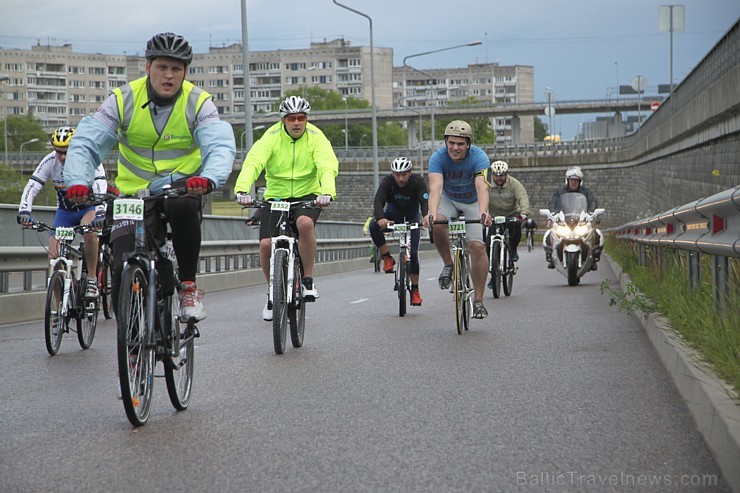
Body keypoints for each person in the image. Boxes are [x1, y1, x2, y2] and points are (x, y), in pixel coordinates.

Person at [64, 32, 236, 322]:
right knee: (121, 266)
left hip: (180, 186)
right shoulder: (123, 99)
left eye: (176, 69)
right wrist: (78, 181)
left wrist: (208, 178)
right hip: (132, 194)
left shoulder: (198, 102)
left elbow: (219, 144)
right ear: (148, 67)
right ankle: (131, 348)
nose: (168, 76)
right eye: (162, 67)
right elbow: (87, 142)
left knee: (182, 206)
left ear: (185, 72)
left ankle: (189, 288)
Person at [234, 95, 338, 321]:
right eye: (292, 118)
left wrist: (326, 192)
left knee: (305, 224)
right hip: (277, 197)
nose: (297, 123)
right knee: (265, 245)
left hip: (307, 196)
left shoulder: (316, 137)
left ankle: (308, 281)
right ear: (283, 120)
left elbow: (326, 165)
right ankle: (272, 292)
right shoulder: (270, 137)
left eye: (301, 118)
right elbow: (254, 162)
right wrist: (242, 190)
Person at [17, 126, 107, 300]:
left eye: (67, 152)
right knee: (54, 257)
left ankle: (91, 279)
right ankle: (58, 310)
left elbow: (100, 186)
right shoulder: (50, 161)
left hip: (88, 209)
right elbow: (33, 186)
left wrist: (100, 213)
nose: (63, 157)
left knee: (90, 233)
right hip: (65, 212)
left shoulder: (89, 159)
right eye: (59, 152)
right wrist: (24, 211)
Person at [424, 120, 492, 319]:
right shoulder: (437, 157)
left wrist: (483, 212)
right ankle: (448, 264)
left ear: (468, 144)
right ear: (445, 142)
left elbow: (482, 187)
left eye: (460, 144)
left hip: (472, 202)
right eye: (451, 143)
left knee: (477, 247)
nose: (455, 148)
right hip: (449, 199)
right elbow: (435, 188)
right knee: (437, 222)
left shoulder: (479, 157)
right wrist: (431, 212)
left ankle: (478, 301)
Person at [368, 157, 429, 306]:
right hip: (393, 216)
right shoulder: (388, 182)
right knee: (373, 225)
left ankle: (415, 290)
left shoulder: (417, 181)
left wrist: (426, 216)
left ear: (410, 172)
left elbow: (424, 201)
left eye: (404, 175)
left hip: (411, 218)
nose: (400, 179)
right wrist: (381, 218)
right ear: (393, 174)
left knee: (413, 254)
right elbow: (378, 201)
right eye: (397, 175)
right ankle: (387, 257)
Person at [544, 166, 603, 270]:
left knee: (597, 233)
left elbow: (592, 201)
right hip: (564, 220)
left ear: (580, 181)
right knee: (550, 234)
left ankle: (593, 257)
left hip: (581, 219)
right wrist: (552, 213)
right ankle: (552, 256)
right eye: (572, 180)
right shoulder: (559, 192)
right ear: (567, 180)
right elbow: (552, 202)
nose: (574, 182)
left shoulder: (586, 192)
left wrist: (591, 212)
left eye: (576, 180)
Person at [483, 160, 530, 263]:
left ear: (506, 174)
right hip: (493, 215)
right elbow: (480, 195)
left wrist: (524, 213)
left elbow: (522, 197)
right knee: (488, 244)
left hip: (511, 213)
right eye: (496, 175)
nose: (499, 178)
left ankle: (513, 249)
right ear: (492, 175)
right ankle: (494, 272)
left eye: (502, 175)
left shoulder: (514, 183)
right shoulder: (486, 183)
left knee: (515, 228)